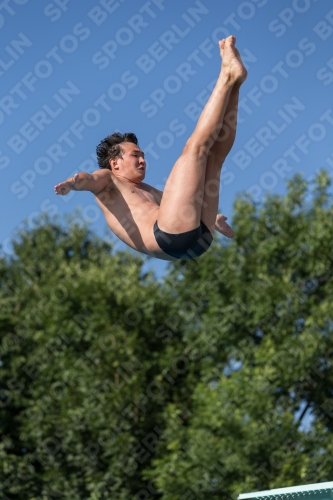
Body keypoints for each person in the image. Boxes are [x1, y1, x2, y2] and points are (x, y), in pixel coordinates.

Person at [54, 36, 247, 261]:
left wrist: (214, 218)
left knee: (214, 158)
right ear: (115, 163)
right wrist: (71, 183)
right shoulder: (109, 181)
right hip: (168, 236)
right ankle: (226, 76)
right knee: (195, 149)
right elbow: (90, 180)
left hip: (198, 238)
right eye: (135, 155)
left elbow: (187, 196)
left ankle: (235, 84)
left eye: (143, 156)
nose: (143, 160)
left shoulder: (147, 190)